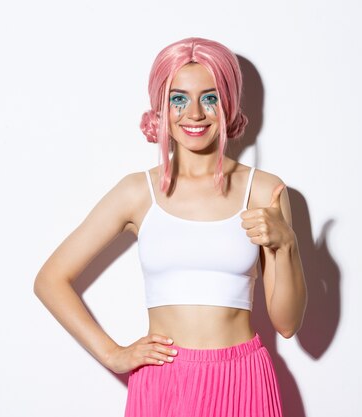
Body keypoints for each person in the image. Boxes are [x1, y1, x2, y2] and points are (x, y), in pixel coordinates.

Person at [34, 37, 307, 417]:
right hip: (164, 382)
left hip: (243, 380)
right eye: (178, 99)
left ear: (228, 103)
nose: (194, 113)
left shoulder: (264, 190)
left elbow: (288, 324)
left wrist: (286, 245)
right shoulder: (136, 192)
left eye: (209, 97)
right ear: (161, 108)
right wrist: (113, 354)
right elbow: (50, 279)